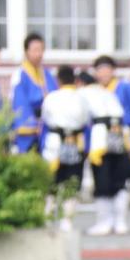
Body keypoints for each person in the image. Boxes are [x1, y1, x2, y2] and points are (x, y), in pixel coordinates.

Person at [86, 55, 130, 235]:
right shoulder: (91, 92)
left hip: (121, 136)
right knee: (101, 179)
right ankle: (104, 220)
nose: (103, 73)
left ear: (113, 70)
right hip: (99, 140)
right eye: (99, 69)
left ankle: (120, 220)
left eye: (106, 68)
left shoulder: (126, 89)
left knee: (120, 178)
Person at [81, 63, 130, 236]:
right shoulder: (107, 92)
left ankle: (105, 221)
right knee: (119, 179)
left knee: (103, 180)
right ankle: (120, 221)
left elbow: (79, 117)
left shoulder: (84, 93)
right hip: (118, 134)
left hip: (101, 137)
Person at [40, 65, 91, 231]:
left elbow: (45, 118)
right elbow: (85, 120)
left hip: (54, 142)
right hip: (75, 141)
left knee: (51, 181)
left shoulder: (51, 97)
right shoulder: (82, 98)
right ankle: (67, 221)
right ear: (75, 80)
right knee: (72, 180)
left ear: (58, 80)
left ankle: (48, 217)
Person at [11, 32, 59, 155]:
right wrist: (31, 125)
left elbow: (54, 96)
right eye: (35, 50)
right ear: (27, 52)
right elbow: (20, 104)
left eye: (41, 50)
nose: (39, 54)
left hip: (46, 128)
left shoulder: (47, 74)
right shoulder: (20, 75)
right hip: (29, 131)